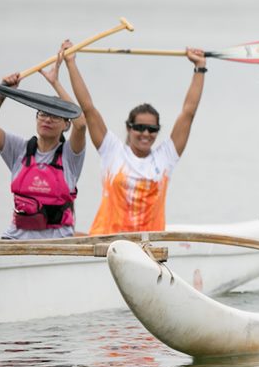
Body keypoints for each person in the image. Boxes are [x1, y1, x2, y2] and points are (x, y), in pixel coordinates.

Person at [69, 46, 208, 234]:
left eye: (152, 129)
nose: (146, 134)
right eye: (140, 128)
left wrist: (199, 68)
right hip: (107, 245)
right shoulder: (112, 150)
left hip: (148, 247)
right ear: (129, 128)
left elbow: (188, 112)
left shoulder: (166, 157)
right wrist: (71, 62)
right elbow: (88, 108)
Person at [0, 41, 87, 240]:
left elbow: (81, 123)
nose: (47, 119)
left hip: (57, 240)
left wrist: (55, 83)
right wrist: (4, 92)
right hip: (15, 239)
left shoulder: (70, 155)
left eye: (55, 116)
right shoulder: (19, 148)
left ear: (66, 124)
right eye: (42, 114)